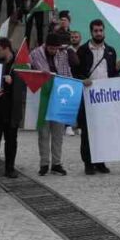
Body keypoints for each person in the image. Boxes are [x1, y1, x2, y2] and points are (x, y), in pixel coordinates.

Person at [30, 30, 78, 176]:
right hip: (43, 97)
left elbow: (68, 72)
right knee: (43, 133)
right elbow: (29, 71)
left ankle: (56, 163)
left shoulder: (63, 54)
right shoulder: (35, 54)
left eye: (56, 48)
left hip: (59, 97)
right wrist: (40, 74)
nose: (53, 51)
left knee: (58, 133)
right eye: (51, 48)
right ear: (46, 45)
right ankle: (44, 163)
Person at [75, 19, 118, 175]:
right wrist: (82, 79)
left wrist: (117, 69)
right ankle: (88, 163)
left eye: (101, 30)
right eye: (96, 31)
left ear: (104, 31)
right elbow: (76, 71)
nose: (99, 33)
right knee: (87, 131)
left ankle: (100, 161)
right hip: (88, 95)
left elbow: (111, 74)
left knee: (103, 130)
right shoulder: (83, 50)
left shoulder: (111, 51)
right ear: (91, 32)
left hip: (105, 97)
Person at [0, 37, 23, 179]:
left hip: (12, 109)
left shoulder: (19, 63)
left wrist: (13, 81)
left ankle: (10, 168)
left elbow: (25, 84)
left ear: (7, 48)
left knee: (11, 141)